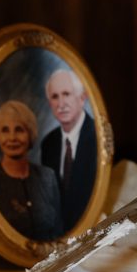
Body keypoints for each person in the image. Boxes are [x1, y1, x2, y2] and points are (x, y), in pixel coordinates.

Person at [0, 100, 64, 241]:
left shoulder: (47, 177)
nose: (12, 137)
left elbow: (59, 230)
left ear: (31, 134)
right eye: (5, 130)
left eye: (19, 130)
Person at [41, 68, 98, 231]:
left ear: (82, 98)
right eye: (54, 97)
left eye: (66, 94)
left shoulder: (98, 138)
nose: (61, 103)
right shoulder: (48, 143)